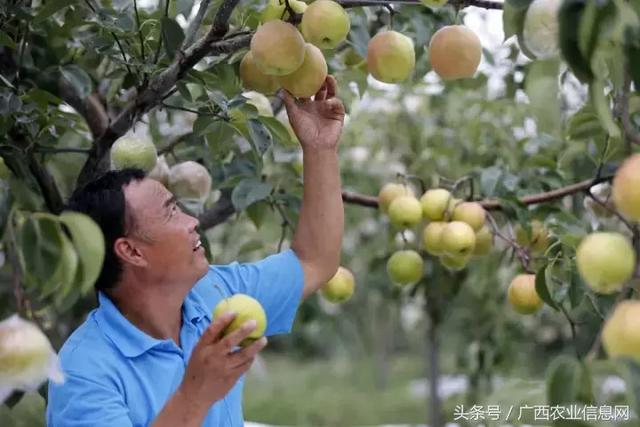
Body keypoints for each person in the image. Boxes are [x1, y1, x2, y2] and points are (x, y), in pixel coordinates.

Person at [46, 75, 345, 427]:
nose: (192, 221)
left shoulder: (212, 296)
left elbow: (315, 261)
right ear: (131, 251)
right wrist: (196, 393)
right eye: (171, 211)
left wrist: (320, 149)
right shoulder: (84, 372)